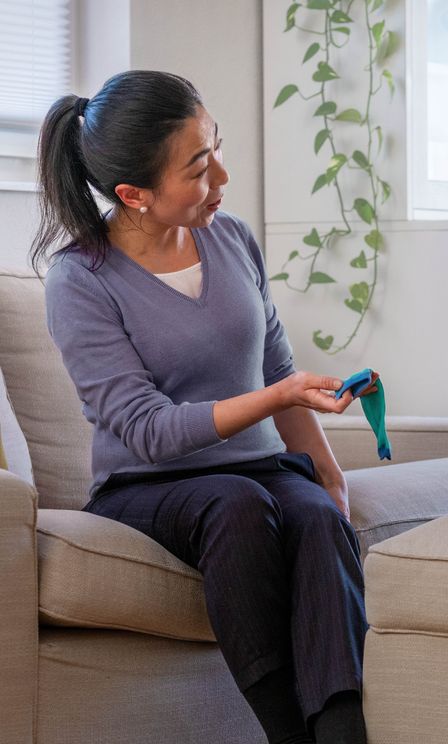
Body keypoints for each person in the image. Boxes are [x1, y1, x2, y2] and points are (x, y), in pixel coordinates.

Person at [34, 70, 372, 744]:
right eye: (198, 166)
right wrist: (276, 396)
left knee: (312, 517)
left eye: (215, 147)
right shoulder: (80, 280)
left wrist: (329, 478)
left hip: (259, 471)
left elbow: (280, 366)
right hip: (146, 487)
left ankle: (344, 732)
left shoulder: (232, 238)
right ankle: (286, 732)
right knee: (238, 507)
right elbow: (148, 431)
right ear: (134, 194)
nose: (222, 176)